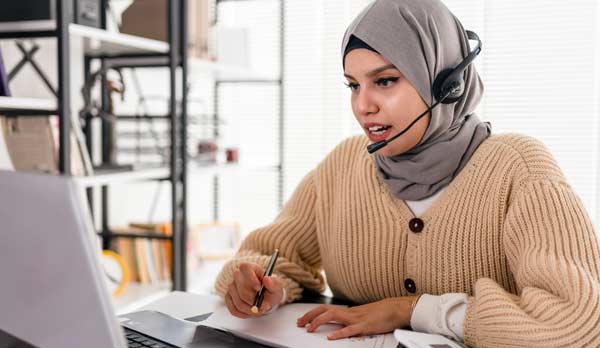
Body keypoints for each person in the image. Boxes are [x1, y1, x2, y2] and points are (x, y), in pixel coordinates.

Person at [214, 0, 600, 346]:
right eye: (353, 85)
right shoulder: (344, 165)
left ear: (447, 85)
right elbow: (268, 254)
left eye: (384, 81)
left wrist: (415, 310)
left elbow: (580, 321)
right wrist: (265, 287)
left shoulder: (520, 169)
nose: (363, 106)